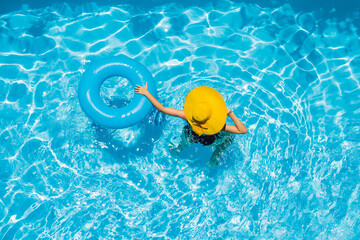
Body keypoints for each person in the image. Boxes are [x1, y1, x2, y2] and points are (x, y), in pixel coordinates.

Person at [135, 83, 248, 166]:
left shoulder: (187, 117)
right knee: (229, 137)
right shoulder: (218, 126)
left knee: (184, 141)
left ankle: (178, 148)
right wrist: (230, 113)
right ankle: (213, 158)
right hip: (210, 141)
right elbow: (243, 130)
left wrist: (146, 93)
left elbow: (162, 108)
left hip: (190, 135)